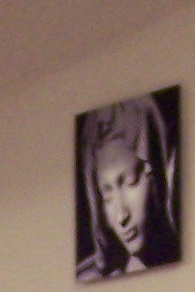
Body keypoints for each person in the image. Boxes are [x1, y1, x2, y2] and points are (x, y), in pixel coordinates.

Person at [76, 92, 180, 281]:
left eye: (131, 182)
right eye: (107, 196)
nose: (121, 216)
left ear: (157, 174)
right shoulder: (90, 279)